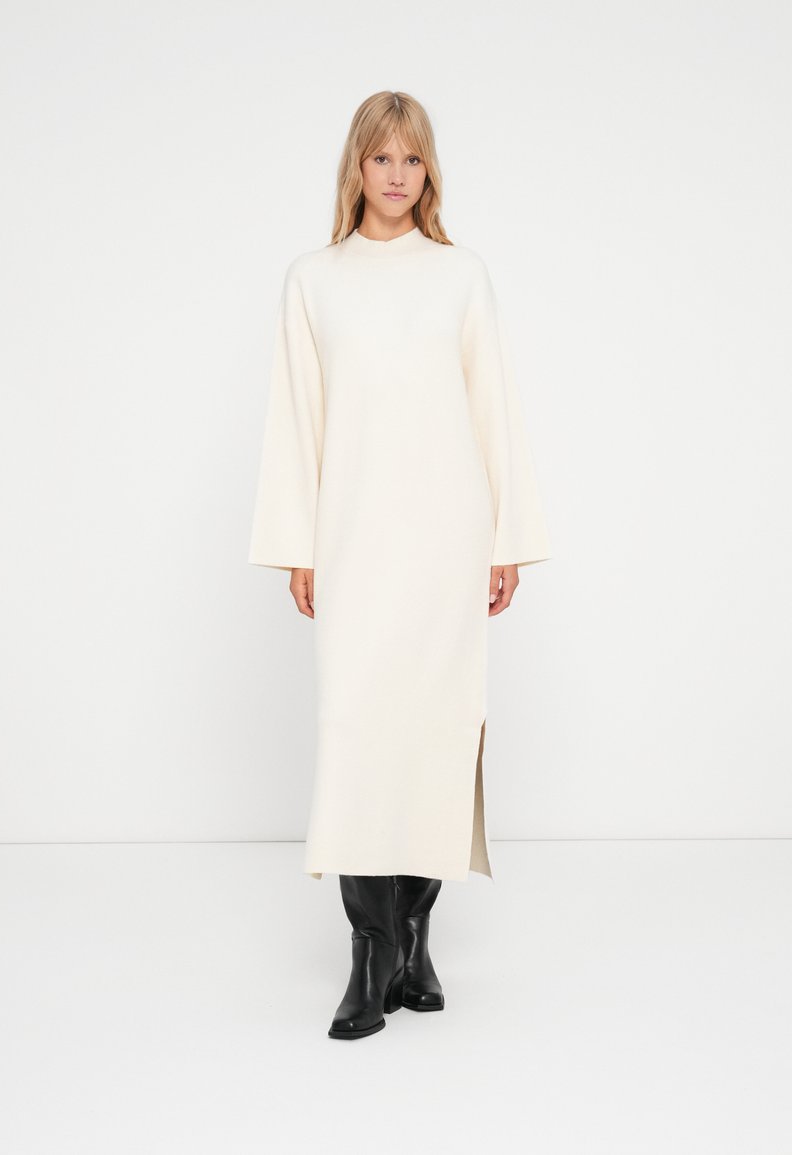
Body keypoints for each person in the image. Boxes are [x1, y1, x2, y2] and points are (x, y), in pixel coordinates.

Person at [248, 91, 551, 1040]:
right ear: (356, 166)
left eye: (411, 159)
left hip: (447, 539)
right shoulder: (314, 279)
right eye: (380, 157)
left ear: (429, 172)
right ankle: (369, 947)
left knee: (434, 728)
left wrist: (507, 538)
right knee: (356, 729)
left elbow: (495, 408)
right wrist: (297, 544)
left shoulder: (461, 276)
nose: (395, 174)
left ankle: (414, 935)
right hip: (353, 537)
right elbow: (297, 419)